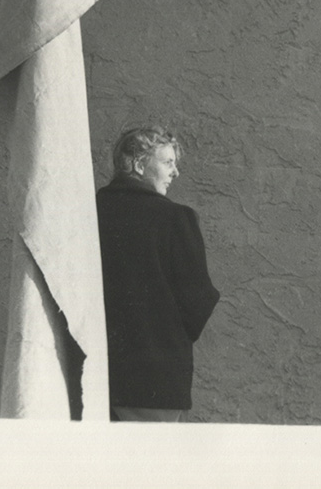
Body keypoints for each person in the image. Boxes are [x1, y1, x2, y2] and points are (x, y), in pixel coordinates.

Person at [96, 126, 220, 422]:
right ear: (138, 164)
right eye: (168, 163)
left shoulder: (89, 213)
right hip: (154, 376)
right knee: (151, 464)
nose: (175, 173)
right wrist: (167, 335)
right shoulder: (176, 219)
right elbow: (199, 299)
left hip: (92, 374)